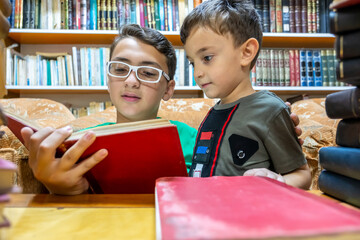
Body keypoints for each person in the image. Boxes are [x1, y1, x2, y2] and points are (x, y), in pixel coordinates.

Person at [21, 24, 304, 195]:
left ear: (168, 89)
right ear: (107, 80)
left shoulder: (203, 139)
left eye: (147, 73)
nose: (131, 80)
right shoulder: (76, 144)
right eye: (120, 69)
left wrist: (273, 138)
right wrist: (55, 186)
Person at [180, 0, 311, 189]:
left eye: (207, 58)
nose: (197, 73)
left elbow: (302, 175)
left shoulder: (270, 110)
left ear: (246, 52)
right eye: (193, 63)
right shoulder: (213, 112)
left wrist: (276, 182)